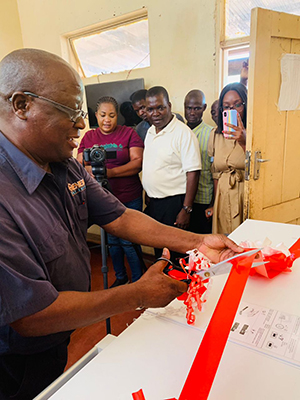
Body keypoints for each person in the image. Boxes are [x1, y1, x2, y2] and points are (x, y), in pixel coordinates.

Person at [0, 48, 242, 400]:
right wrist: (137, 294)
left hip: (57, 339)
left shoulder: (63, 162)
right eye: (71, 113)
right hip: (15, 361)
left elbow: (120, 216)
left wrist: (197, 243)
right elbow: (31, 315)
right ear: (22, 105)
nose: (82, 125)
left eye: (81, 113)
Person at [77, 96, 144, 287]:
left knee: (130, 242)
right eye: (103, 115)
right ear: (96, 116)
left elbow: (137, 163)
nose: (107, 119)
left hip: (129, 197)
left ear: (118, 116)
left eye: (112, 115)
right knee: (112, 242)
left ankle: (139, 282)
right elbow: (81, 165)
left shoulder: (129, 134)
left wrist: (110, 172)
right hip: (103, 199)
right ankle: (121, 277)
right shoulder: (89, 137)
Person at [142, 86, 201, 261]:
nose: (156, 113)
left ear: (169, 105)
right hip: (154, 203)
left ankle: (180, 288)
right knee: (159, 252)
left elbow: (193, 172)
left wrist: (186, 209)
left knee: (177, 255)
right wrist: (148, 192)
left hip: (174, 204)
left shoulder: (183, 133)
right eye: (150, 109)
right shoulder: (150, 131)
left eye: (160, 107)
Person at [207, 82, 247, 235]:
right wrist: (214, 203)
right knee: (224, 241)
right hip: (222, 196)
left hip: (244, 194)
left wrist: (244, 141)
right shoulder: (215, 135)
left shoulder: (255, 131)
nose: (232, 111)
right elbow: (215, 173)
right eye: (227, 107)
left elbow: (259, 168)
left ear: (245, 105)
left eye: (237, 105)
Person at [184, 90, 214, 234]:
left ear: (204, 108)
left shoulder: (211, 134)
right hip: (181, 198)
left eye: (197, 108)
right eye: (189, 108)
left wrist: (213, 203)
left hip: (202, 198)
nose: (192, 112)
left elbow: (216, 171)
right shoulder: (179, 132)